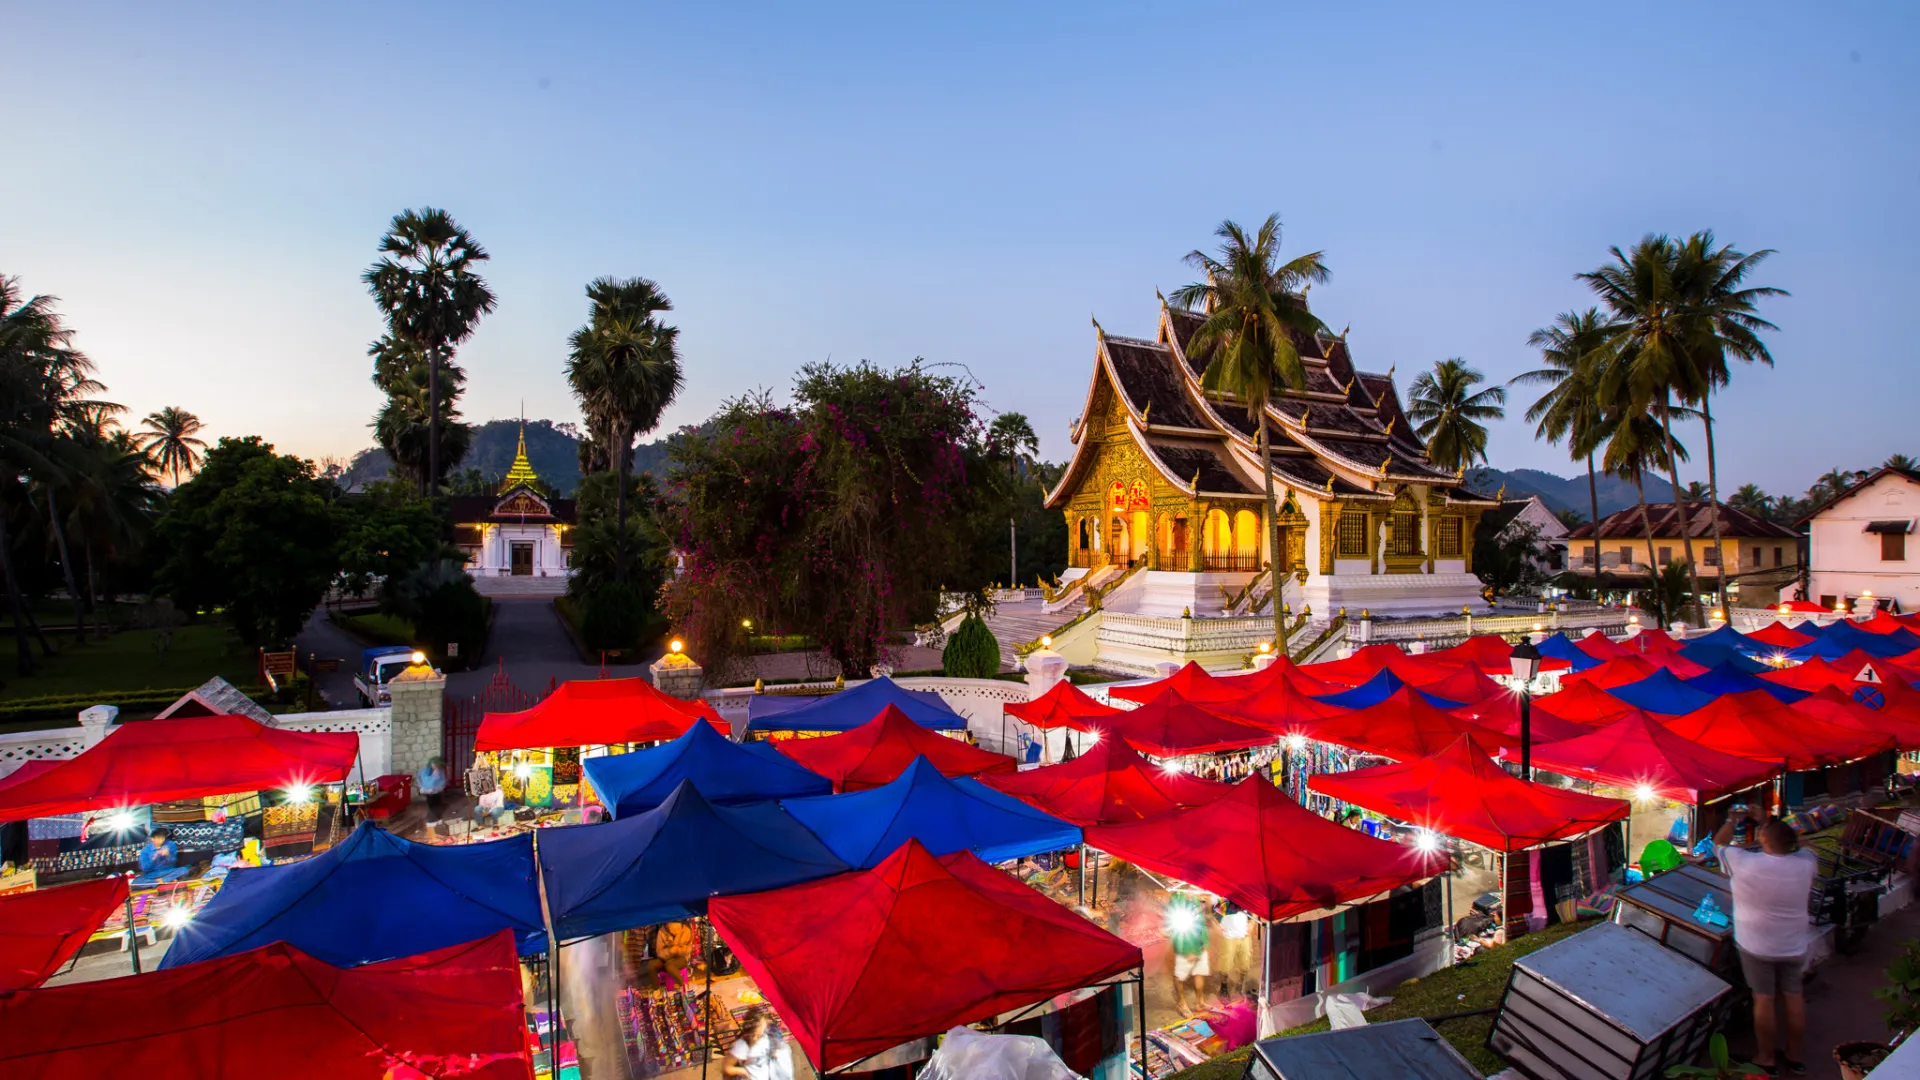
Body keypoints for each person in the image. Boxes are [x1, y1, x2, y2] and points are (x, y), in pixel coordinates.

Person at [1714, 805, 1816, 1076]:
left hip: (1756, 945)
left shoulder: (1744, 862)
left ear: (1762, 841)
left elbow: (1718, 843)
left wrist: (1732, 819)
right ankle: (1795, 1056)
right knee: (1794, 996)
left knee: (1764, 999)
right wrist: (1773, 822)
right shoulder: (1806, 863)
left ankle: (1766, 1058)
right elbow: (1803, 843)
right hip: (1794, 944)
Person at [1167, 893, 1211, 1015]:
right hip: (1186, 945)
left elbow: (1202, 920)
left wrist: (1204, 942)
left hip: (1200, 944)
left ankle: (1199, 1001)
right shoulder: (1177, 899)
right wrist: (1185, 950)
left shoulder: (1197, 898)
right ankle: (1181, 1003)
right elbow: (1175, 927)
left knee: (1200, 972)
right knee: (1180, 975)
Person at [723, 1009, 787, 1080]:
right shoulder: (742, 1045)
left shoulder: (765, 1038)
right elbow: (727, 1068)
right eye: (763, 1024)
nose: (766, 1027)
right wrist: (744, 1072)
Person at [1215, 900, 1254, 998]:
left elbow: (1253, 915)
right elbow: (1214, 916)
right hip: (1228, 938)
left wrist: (1252, 924)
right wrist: (1217, 927)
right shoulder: (1224, 902)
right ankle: (1224, 987)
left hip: (1244, 937)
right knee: (1225, 965)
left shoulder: (1245, 899)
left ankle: (1240, 985)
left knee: (1245, 964)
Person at [416, 756, 449, 826]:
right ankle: (432, 820)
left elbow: (441, 782)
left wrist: (435, 788)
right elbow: (420, 778)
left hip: (437, 792)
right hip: (428, 791)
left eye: (436, 764)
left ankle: (435, 820)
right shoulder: (426, 770)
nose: (435, 766)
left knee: (436, 805)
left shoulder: (440, 771)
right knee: (431, 805)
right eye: (433, 764)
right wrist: (422, 788)